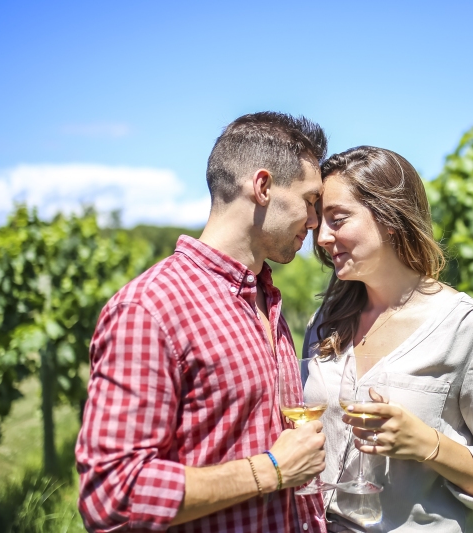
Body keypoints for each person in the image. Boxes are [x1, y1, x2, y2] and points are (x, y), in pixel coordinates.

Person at [76, 112, 330, 533]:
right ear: (263, 187)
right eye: (308, 201)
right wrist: (271, 470)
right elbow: (112, 495)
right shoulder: (151, 308)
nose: (314, 221)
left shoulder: (266, 300)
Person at [302, 146, 473, 532]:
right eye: (319, 221)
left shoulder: (470, 329)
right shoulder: (325, 322)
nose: (323, 236)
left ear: (389, 218)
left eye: (338, 219)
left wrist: (427, 444)